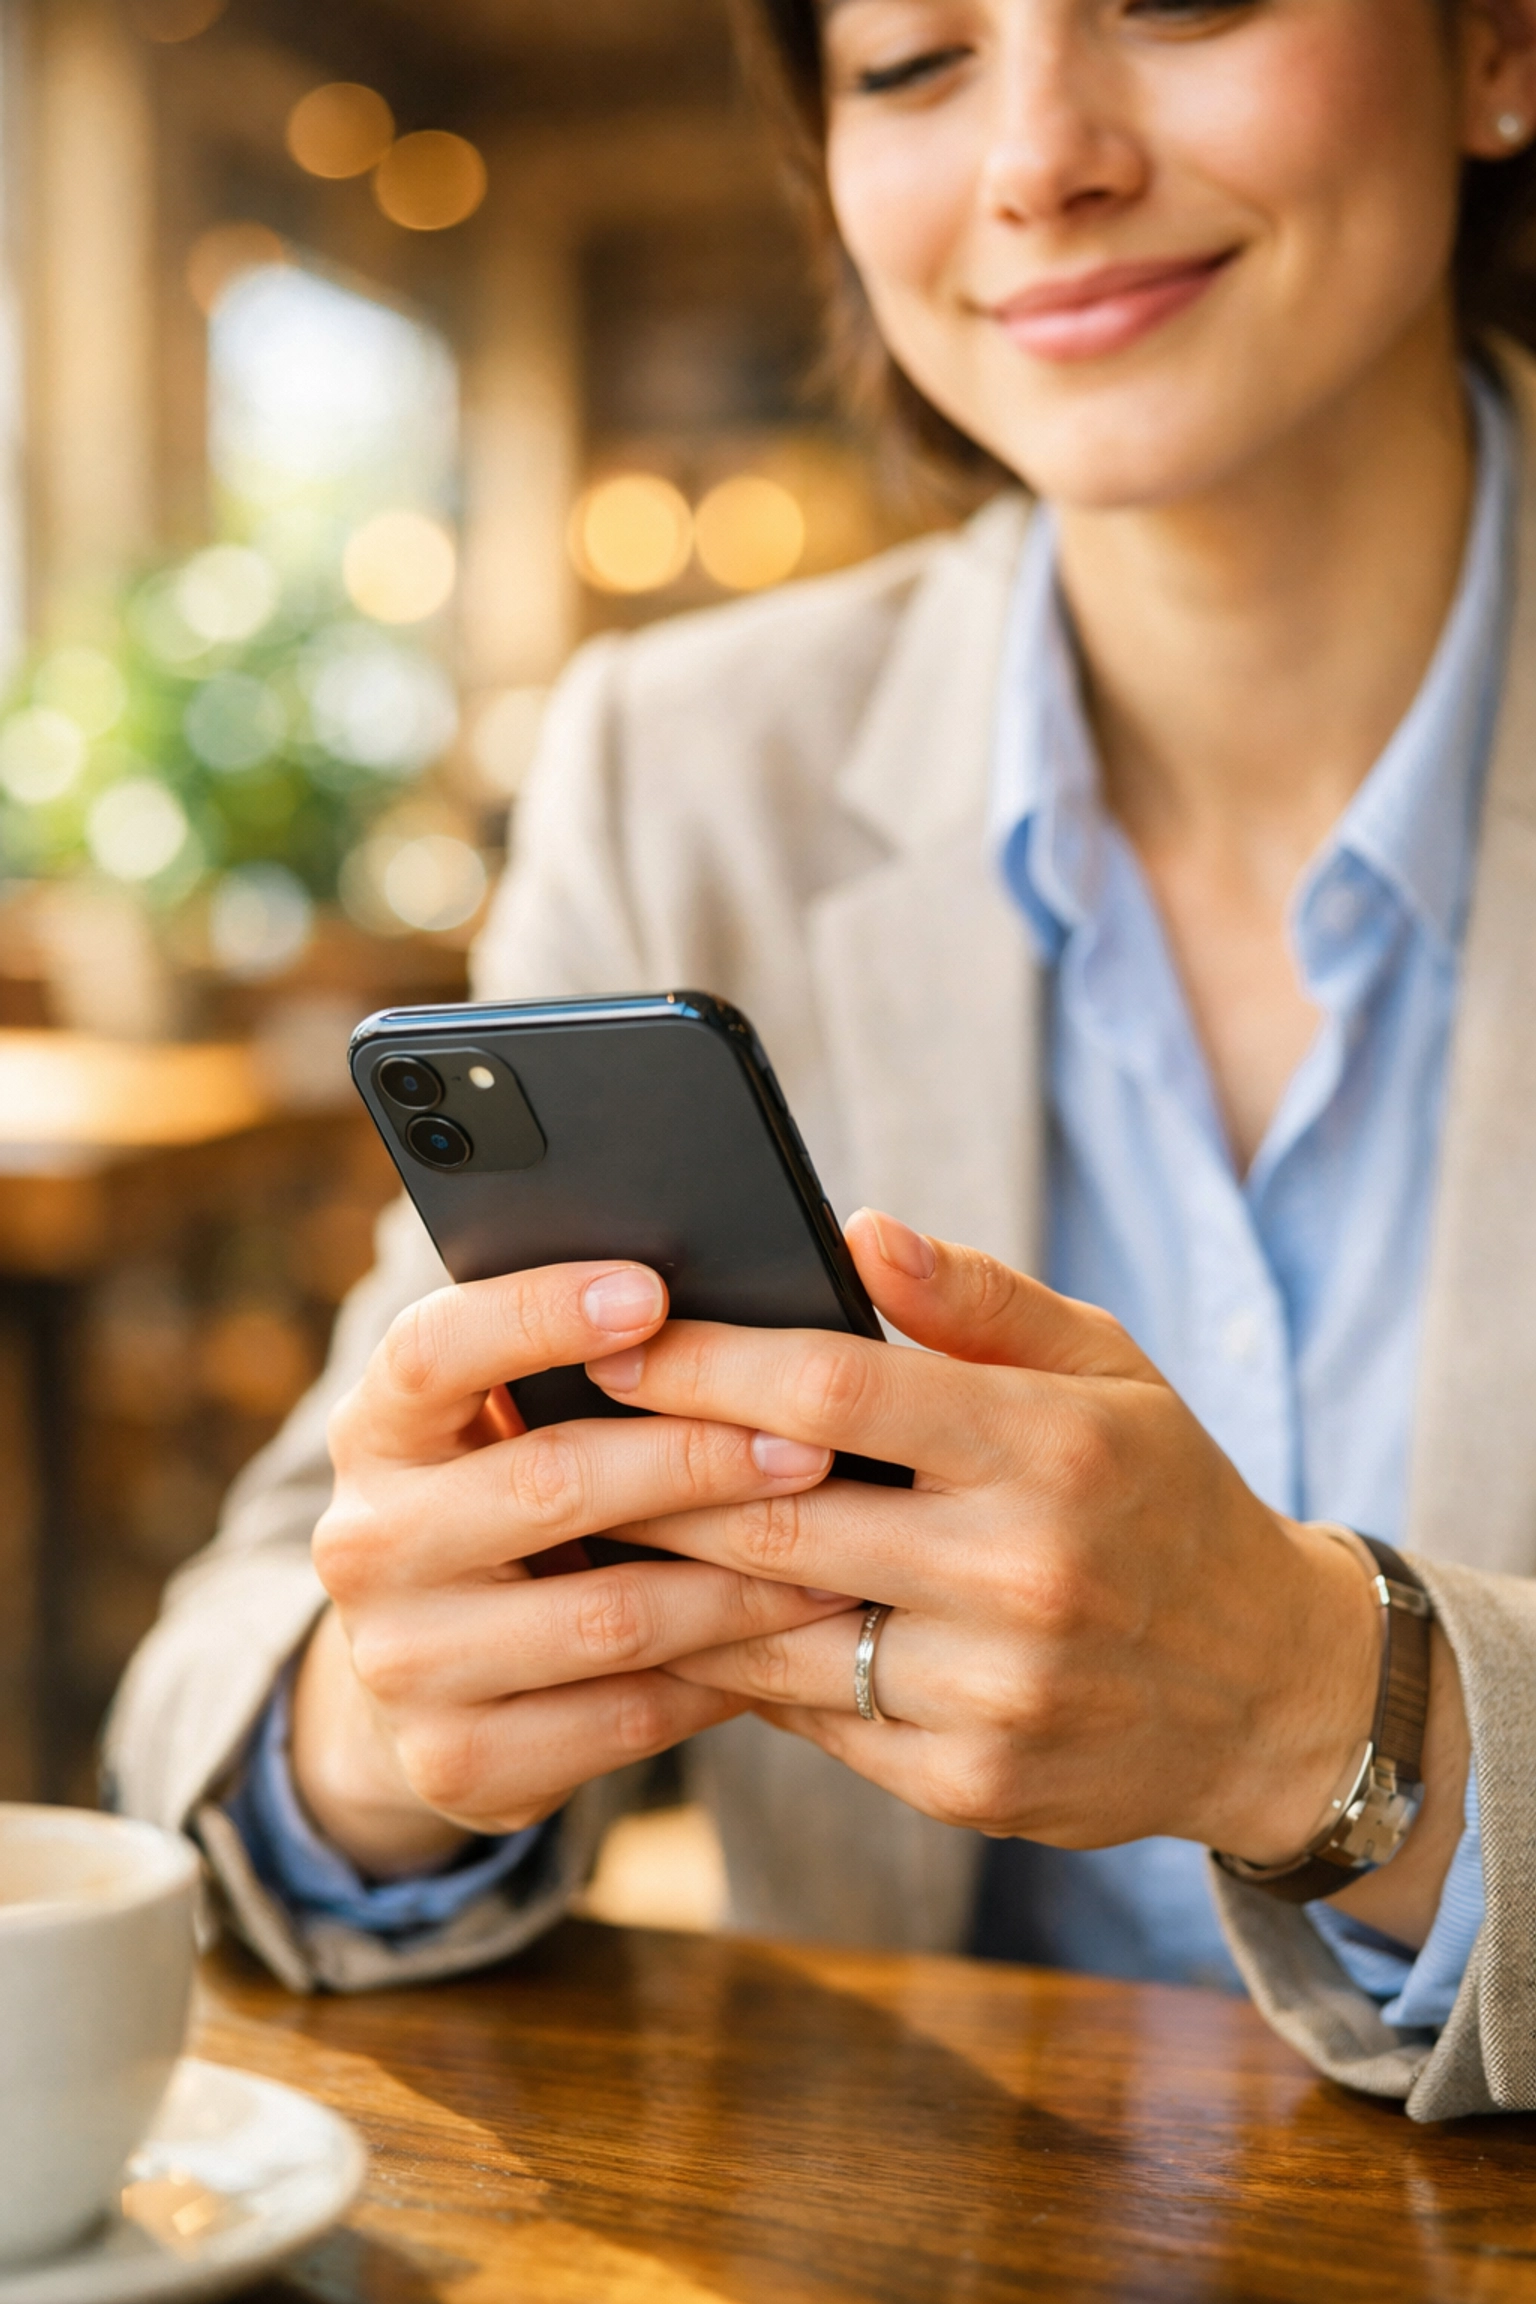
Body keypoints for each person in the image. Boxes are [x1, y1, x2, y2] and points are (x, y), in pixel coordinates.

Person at [108, 0, 1536, 2120]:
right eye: (913, 62)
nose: (1039, 160)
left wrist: (1319, 1713)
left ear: (1494, 46)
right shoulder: (678, 770)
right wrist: (394, 1727)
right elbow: (211, 1699)